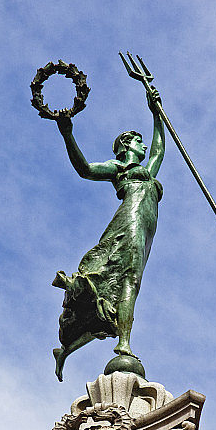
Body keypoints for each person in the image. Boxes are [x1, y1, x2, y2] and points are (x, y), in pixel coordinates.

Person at [52, 87, 165, 381]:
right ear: (126, 144)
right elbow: (86, 169)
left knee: (121, 290)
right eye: (138, 141)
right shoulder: (119, 169)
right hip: (129, 223)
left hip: (144, 230)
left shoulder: (147, 171)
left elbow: (159, 150)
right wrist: (67, 134)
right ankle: (124, 344)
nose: (143, 147)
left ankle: (66, 350)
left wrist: (156, 114)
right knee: (128, 282)